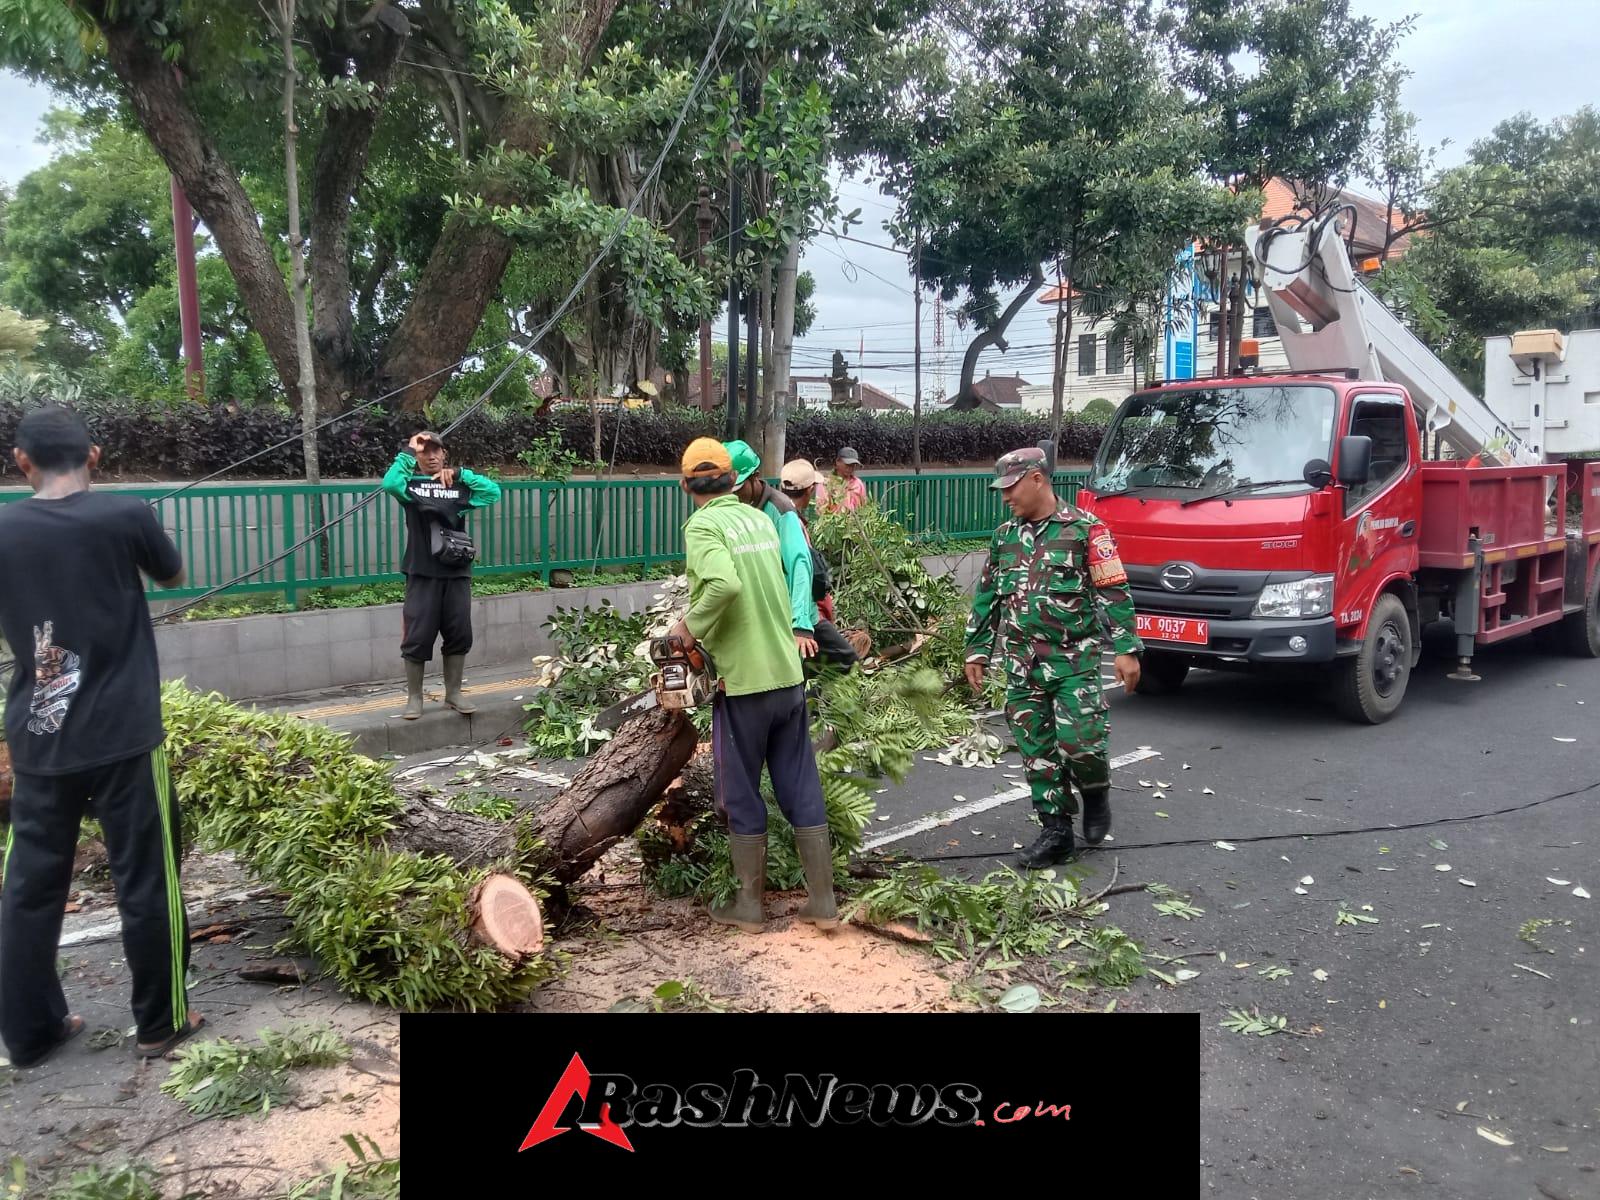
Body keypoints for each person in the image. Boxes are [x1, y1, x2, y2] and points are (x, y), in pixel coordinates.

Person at [0, 407, 204, 1067]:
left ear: (21, 461)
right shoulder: (126, 514)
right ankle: (160, 1023)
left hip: (39, 735)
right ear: (93, 456)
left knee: (29, 888)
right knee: (147, 877)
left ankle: (30, 1033)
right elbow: (171, 576)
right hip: (124, 735)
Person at [669, 438, 837, 933]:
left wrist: (687, 627)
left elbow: (723, 585)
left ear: (685, 484)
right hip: (787, 673)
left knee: (742, 791)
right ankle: (822, 903)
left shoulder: (703, 525)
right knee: (799, 782)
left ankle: (749, 906)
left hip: (744, 683)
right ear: (731, 478)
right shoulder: (759, 520)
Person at [963, 447, 1144, 868]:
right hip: (1021, 662)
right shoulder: (1004, 536)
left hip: (1074, 660)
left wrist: (1126, 649)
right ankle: (1056, 831)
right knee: (1037, 748)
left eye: (1011, 487)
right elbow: (987, 597)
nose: (1005, 497)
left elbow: (1114, 592)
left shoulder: (1086, 530)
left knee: (1080, 743)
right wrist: (977, 649)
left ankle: (1095, 791)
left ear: (1037, 479)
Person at [380, 430, 502, 719]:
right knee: (418, 635)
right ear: (418, 457)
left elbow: (492, 492)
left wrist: (461, 474)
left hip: (457, 572)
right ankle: (414, 698)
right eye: (425, 451)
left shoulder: (457, 487)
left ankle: (454, 693)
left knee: (459, 632)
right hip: (422, 572)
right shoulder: (411, 487)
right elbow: (389, 484)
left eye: (436, 450)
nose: (431, 455)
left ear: (444, 454)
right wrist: (408, 453)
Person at [725, 441, 857, 671]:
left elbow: (799, 564)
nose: (733, 496)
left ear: (755, 477)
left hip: (796, 614)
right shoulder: (735, 510)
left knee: (845, 662)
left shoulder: (780, 510)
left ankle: (816, 702)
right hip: (765, 616)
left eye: (738, 489)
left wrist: (801, 625)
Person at [817, 445, 868, 513]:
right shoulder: (826, 484)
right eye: (847, 464)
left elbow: (863, 506)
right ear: (837, 462)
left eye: (853, 465)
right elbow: (821, 508)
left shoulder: (858, 483)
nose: (850, 468)